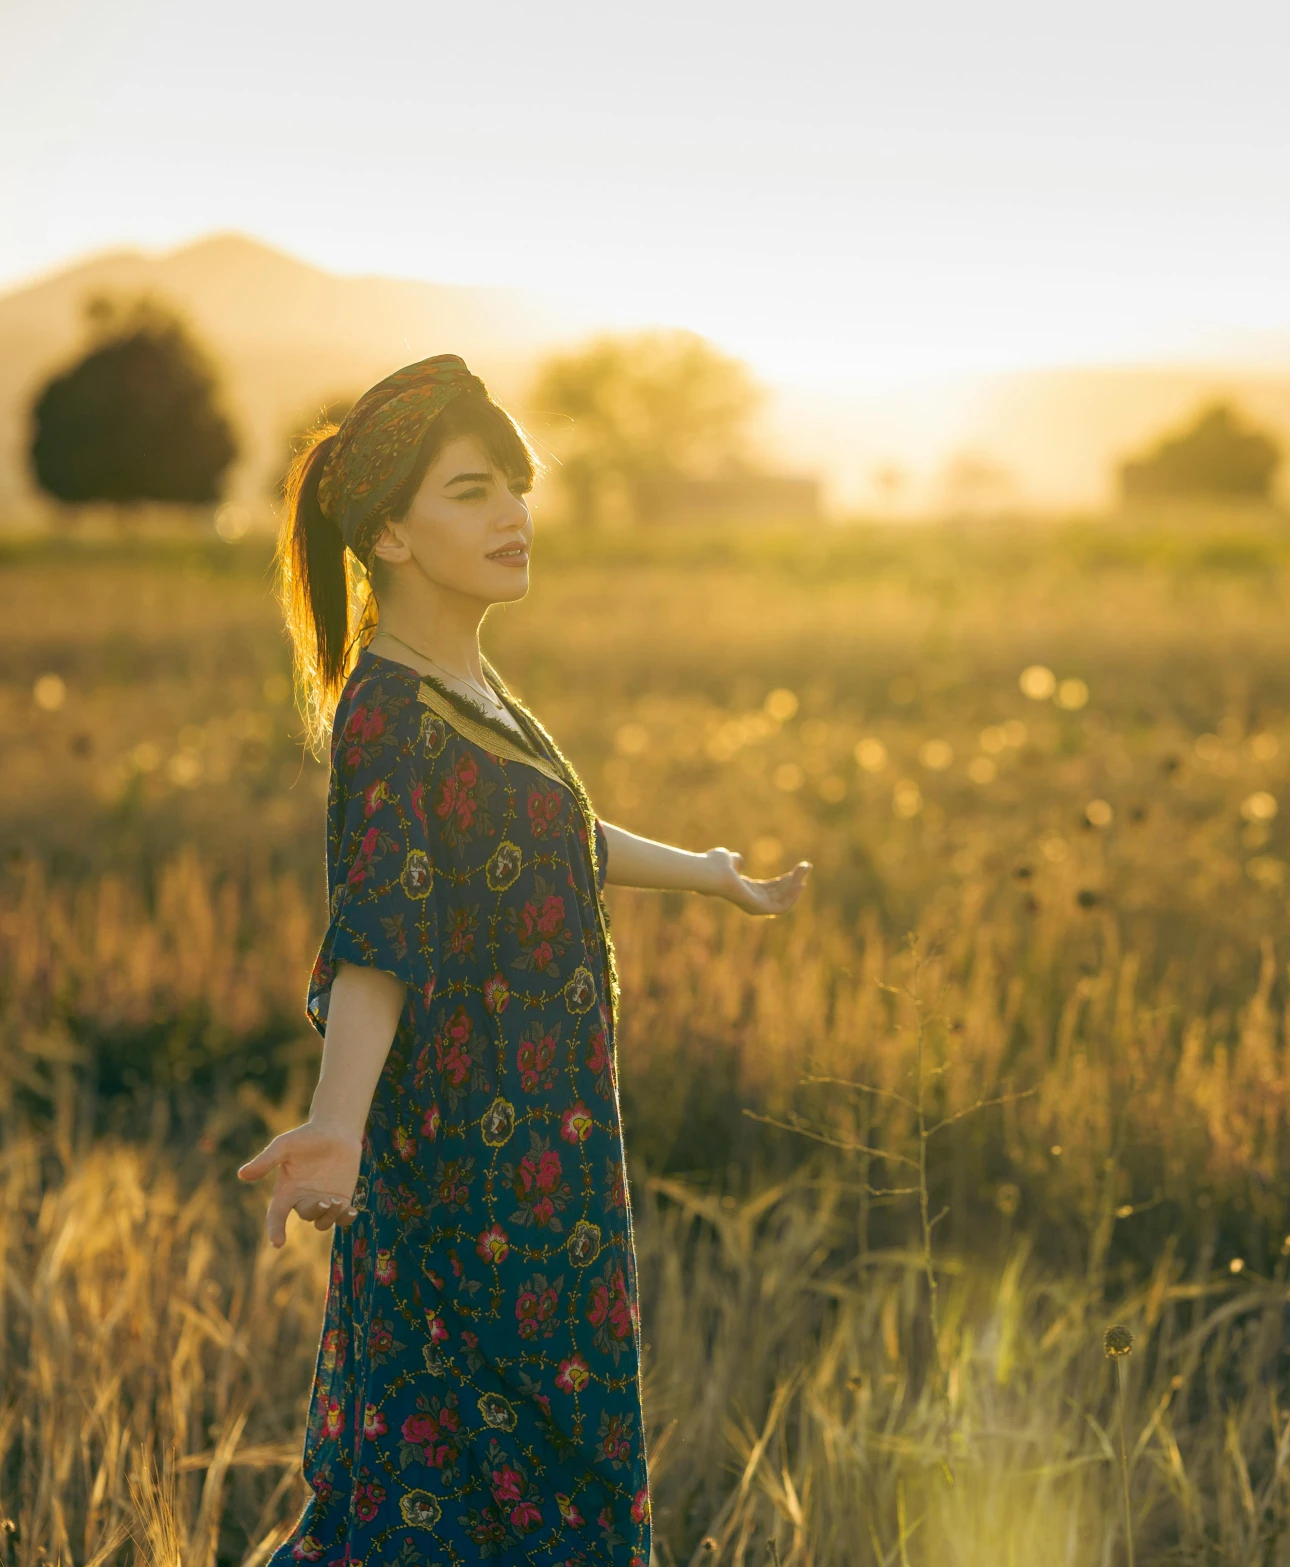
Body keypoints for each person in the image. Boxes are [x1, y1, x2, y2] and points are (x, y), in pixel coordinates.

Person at [237, 354, 809, 1565]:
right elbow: (382, 936)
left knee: (546, 1478)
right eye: (469, 490)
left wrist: (705, 869)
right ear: (386, 532)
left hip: (554, 1163)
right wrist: (336, 1122)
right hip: (466, 1182)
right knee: (442, 1490)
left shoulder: (474, 688)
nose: (512, 513)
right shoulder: (384, 714)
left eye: (515, 483)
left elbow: (543, 839)